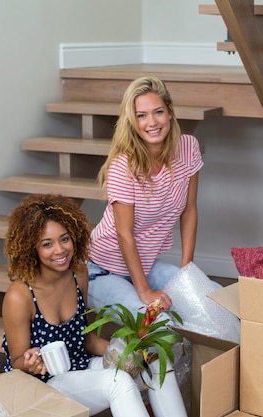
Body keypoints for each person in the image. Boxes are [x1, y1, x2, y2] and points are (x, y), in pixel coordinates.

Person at [1, 193, 186, 416]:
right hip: (43, 383)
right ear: (32, 248)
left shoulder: (78, 274)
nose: (60, 250)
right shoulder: (20, 296)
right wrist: (30, 363)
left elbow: (86, 338)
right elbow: (17, 361)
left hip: (82, 365)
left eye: (64, 239)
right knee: (116, 382)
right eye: (47, 244)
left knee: (154, 363)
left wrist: (129, 353)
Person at [87, 76, 204, 316]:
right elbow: (124, 233)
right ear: (132, 121)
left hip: (145, 264)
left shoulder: (188, 147)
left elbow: (189, 209)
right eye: (141, 115)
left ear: (170, 111)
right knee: (154, 322)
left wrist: (187, 270)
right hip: (101, 269)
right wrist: (145, 291)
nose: (151, 122)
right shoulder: (123, 165)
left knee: (207, 298)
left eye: (158, 112)